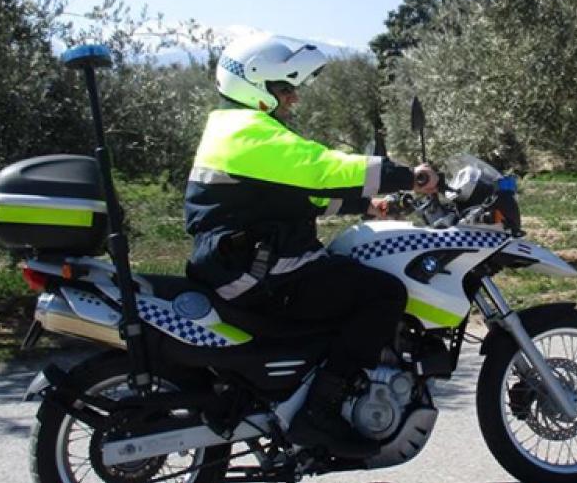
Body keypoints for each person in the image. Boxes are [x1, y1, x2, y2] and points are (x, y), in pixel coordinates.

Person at [184, 32, 437, 459]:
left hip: (245, 262)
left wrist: (368, 204)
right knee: (383, 293)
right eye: (286, 88)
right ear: (256, 86)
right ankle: (319, 411)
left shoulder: (235, 129)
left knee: (343, 279)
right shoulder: (248, 131)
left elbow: (301, 192)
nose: (294, 99)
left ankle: (311, 391)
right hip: (253, 270)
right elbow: (318, 168)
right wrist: (404, 175)